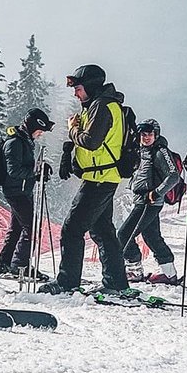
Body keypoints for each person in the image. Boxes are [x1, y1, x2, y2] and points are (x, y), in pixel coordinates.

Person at [40, 64, 129, 295]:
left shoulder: (102, 106)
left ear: (89, 86)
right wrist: (69, 151)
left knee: (71, 229)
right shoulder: (98, 105)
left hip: (99, 179)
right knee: (103, 231)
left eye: (77, 88)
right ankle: (116, 282)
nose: (75, 93)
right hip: (101, 177)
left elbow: (91, 141)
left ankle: (67, 283)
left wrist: (72, 130)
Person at [115, 119, 181, 285]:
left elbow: (173, 176)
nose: (146, 137)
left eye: (149, 134)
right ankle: (169, 274)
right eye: (143, 134)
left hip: (149, 202)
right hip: (142, 200)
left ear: (156, 134)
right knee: (152, 237)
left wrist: (156, 193)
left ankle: (134, 271)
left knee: (124, 235)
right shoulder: (143, 150)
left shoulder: (159, 151)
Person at [0, 108, 54, 279]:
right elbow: (13, 171)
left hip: (21, 191)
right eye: (40, 130)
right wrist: (36, 172)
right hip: (16, 192)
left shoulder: (24, 140)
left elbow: (23, 169)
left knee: (17, 228)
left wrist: (37, 172)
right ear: (33, 125)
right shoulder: (15, 142)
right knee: (31, 227)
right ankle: (20, 265)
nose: (40, 134)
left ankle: (5, 263)